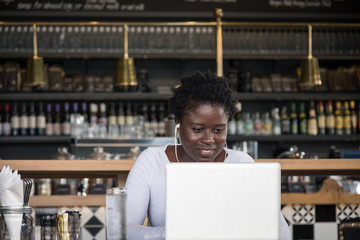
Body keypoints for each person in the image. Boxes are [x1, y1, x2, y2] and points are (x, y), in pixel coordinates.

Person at [125, 71, 292, 240]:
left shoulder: (242, 164)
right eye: (197, 130)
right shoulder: (152, 161)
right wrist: (170, 234)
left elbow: (282, 234)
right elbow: (124, 229)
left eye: (218, 130)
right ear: (178, 122)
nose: (208, 140)